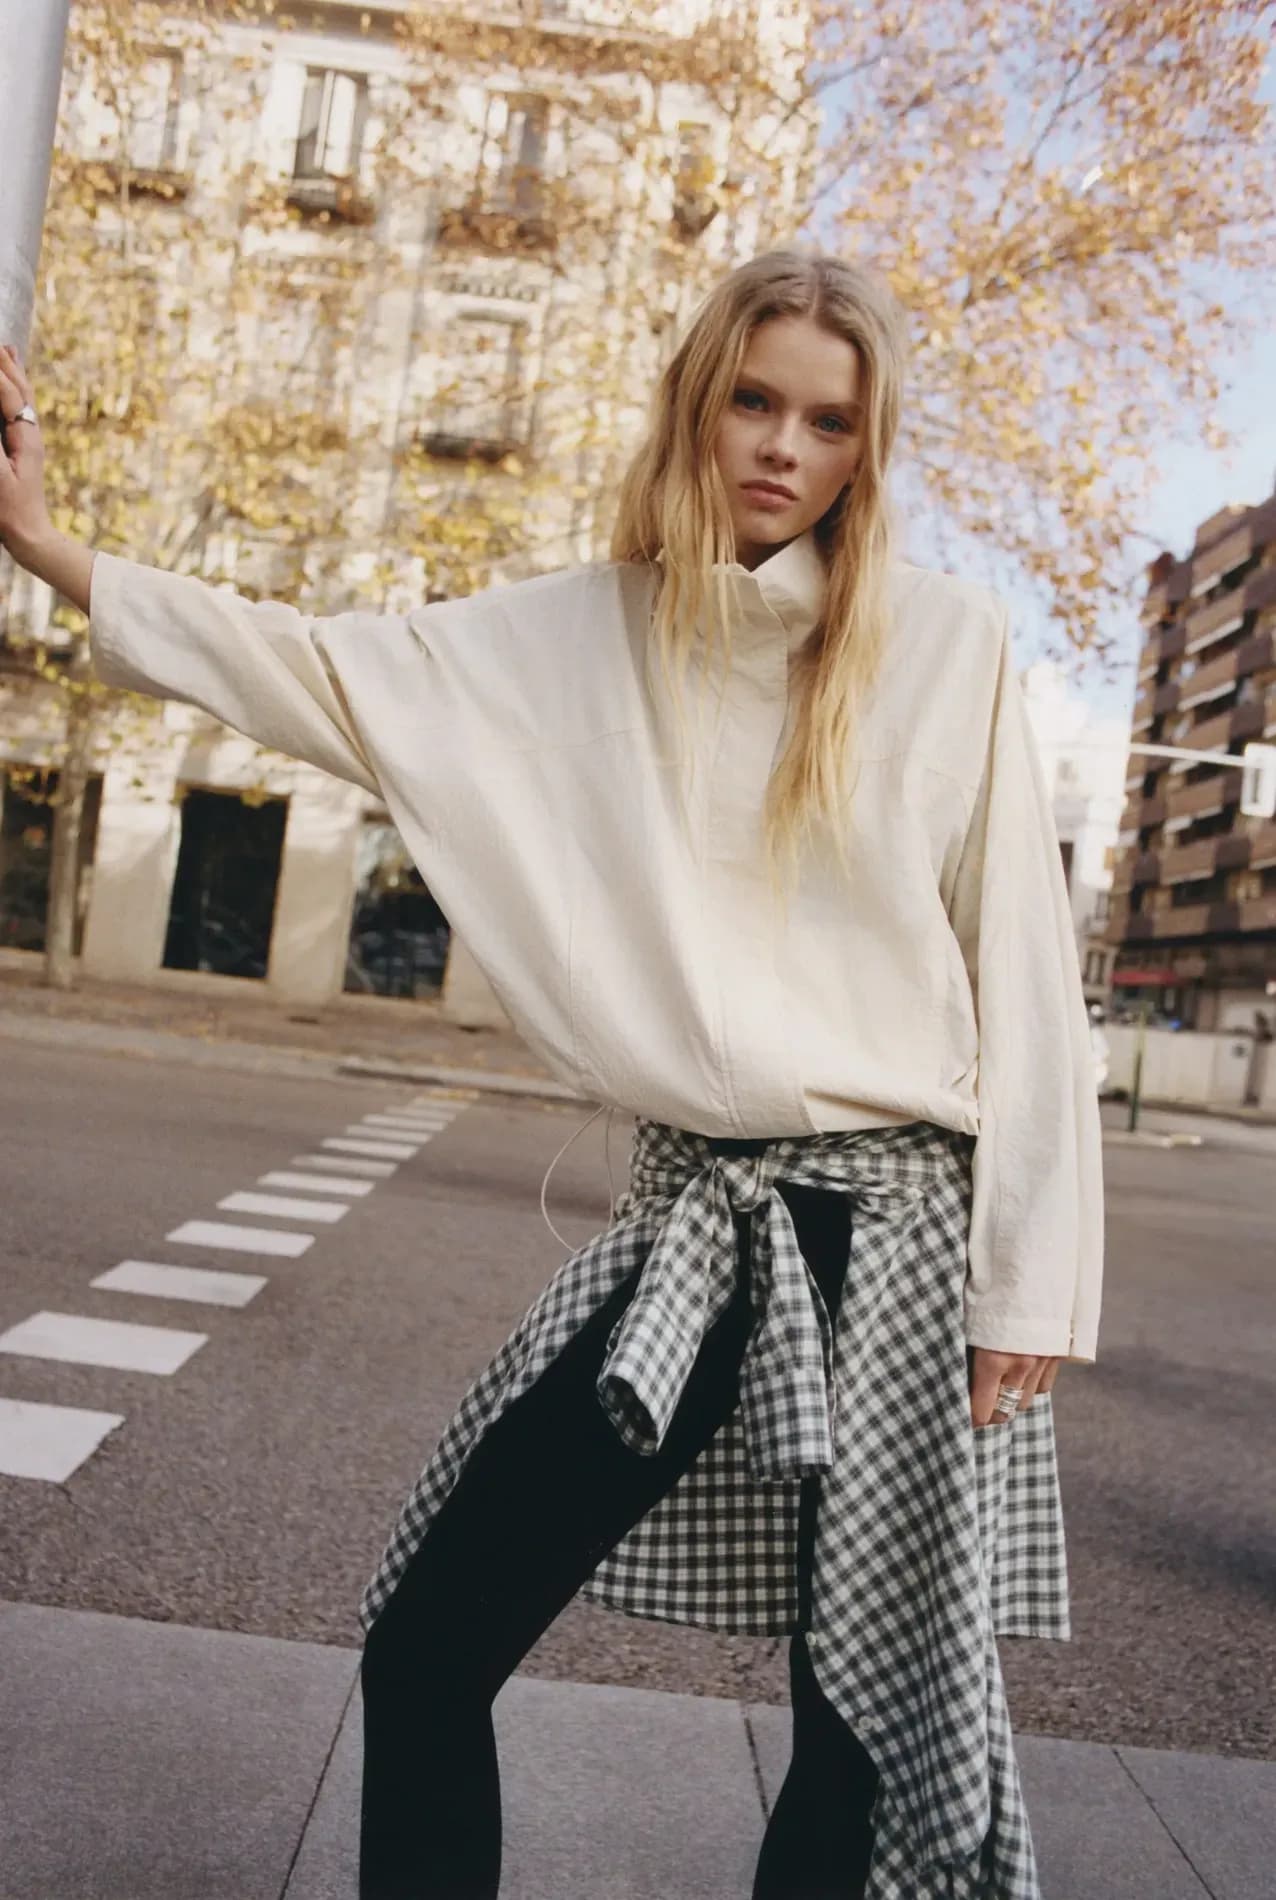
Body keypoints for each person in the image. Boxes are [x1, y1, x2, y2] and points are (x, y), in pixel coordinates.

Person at [0, 249, 1103, 1900]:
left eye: (829, 422)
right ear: (697, 402)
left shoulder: (944, 642)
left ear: (867, 452)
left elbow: (1025, 971)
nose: (783, 447)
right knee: (432, 1640)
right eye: (754, 400)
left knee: (859, 1724)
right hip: (701, 1227)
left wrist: (1031, 1283)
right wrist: (42, 543)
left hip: (897, 1241)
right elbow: (315, 668)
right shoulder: (584, 634)